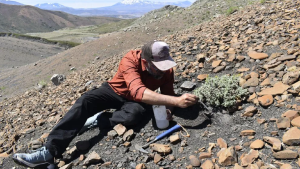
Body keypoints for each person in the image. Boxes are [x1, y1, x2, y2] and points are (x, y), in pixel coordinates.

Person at [13, 41, 199, 168]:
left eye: (165, 66)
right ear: (145, 61)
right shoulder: (130, 59)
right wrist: (176, 101)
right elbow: (136, 90)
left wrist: (169, 108)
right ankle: (49, 151)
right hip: (114, 91)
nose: (162, 71)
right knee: (85, 101)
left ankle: (99, 120)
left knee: (133, 116)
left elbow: (168, 94)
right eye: (158, 66)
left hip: (136, 101)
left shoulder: (166, 69)